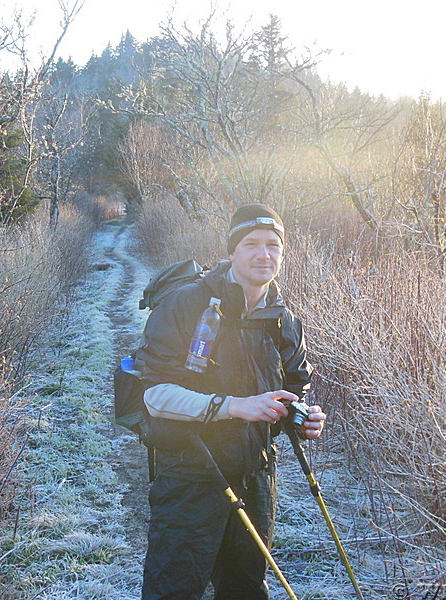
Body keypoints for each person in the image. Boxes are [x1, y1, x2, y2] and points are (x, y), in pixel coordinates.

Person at [135, 204, 326, 600]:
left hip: (256, 476)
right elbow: (154, 395)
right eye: (251, 244)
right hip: (189, 475)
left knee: (245, 589)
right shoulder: (187, 304)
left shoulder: (284, 320)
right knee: (173, 588)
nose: (264, 254)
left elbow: (294, 392)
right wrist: (236, 406)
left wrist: (303, 420)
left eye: (274, 245)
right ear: (232, 252)